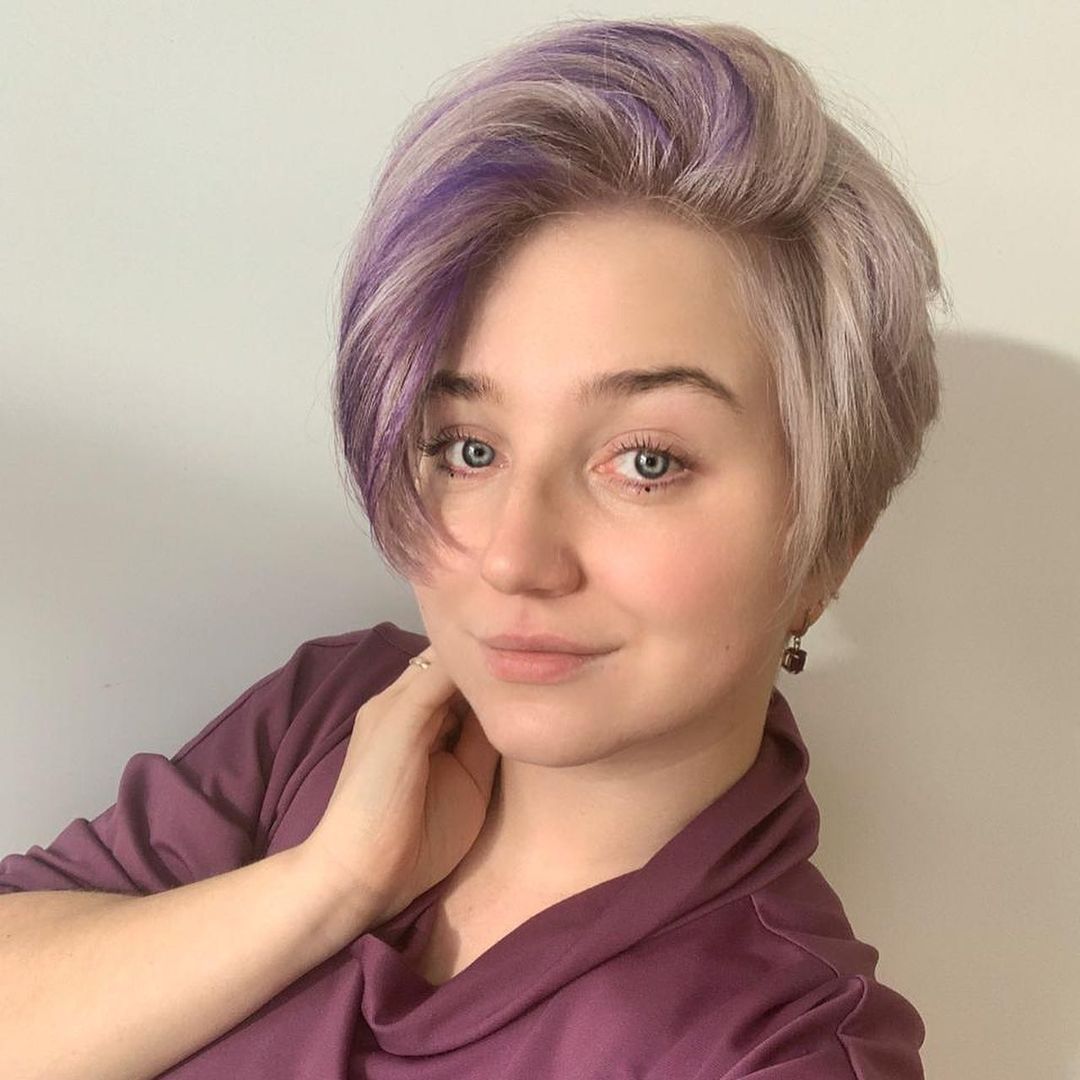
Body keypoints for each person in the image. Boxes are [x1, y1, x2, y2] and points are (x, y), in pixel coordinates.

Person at [0, 16, 945, 1079]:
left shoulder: (781, 1048)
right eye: (469, 447)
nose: (513, 559)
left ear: (828, 550)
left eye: (645, 461)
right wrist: (327, 885)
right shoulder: (331, 713)